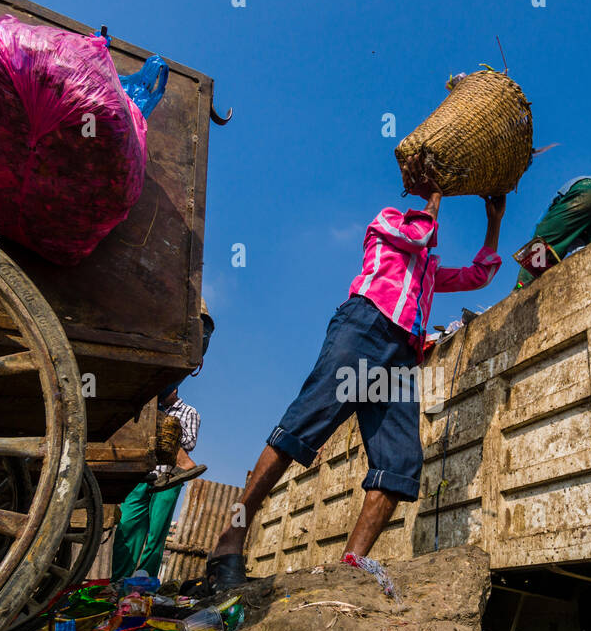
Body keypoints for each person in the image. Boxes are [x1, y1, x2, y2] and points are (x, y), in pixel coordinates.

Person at [204, 172, 505, 592]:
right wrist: (436, 196)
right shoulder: (386, 222)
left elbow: (479, 276)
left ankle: (351, 568)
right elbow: (419, 234)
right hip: (365, 327)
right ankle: (228, 541)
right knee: (303, 426)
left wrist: (493, 221)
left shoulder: (430, 273)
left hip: (402, 356)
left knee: (400, 463)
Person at [111, 385, 205, 584]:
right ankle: (118, 581)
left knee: (156, 534)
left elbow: (188, 443)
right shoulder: (148, 409)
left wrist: (160, 422)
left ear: (175, 390)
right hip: (141, 476)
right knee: (127, 528)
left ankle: (143, 583)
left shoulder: (189, 412)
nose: (161, 398)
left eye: (165, 393)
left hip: (169, 477)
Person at [513, 174, 591, 289]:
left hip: (585, 190)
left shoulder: (554, 213)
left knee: (537, 249)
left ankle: (520, 291)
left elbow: (539, 233)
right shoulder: (579, 229)